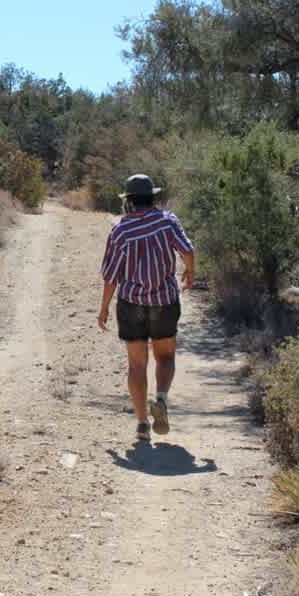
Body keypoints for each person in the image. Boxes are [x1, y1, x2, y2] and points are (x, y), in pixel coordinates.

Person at [97, 174, 195, 441]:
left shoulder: (120, 231)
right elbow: (187, 249)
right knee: (166, 357)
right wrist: (190, 271)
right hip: (164, 301)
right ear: (153, 197)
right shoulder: (167, 221)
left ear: (128, 201)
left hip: (132, 305)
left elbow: (111, 275)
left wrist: (104, 307)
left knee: (136, 364)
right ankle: (161, 398)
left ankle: (142, 424)